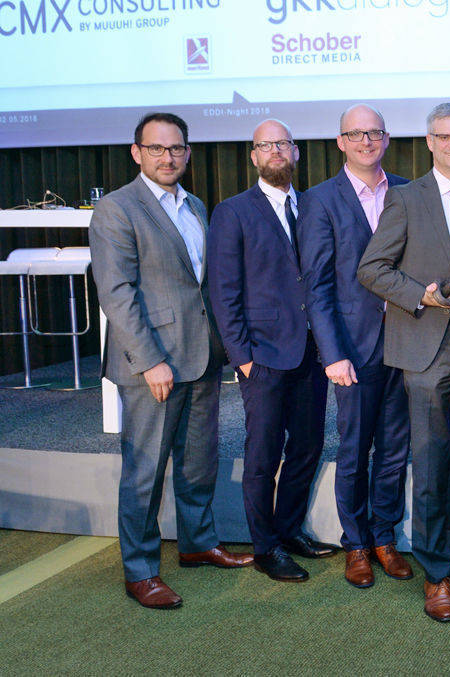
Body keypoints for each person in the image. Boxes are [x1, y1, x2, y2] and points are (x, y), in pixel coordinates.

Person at [90, 112, 253, 609]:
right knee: (145, 471)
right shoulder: (118, 210)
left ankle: (198, 543)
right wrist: (149, 361)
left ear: (187, 152)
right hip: (153, 365)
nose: (168, 157)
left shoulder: (196, 205)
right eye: (157, 148)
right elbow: (117, 295)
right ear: (137, 153)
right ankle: (139, 571)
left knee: (198, 462)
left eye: (177, 148)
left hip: (201, 357)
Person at [358, 103, 450, 623]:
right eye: (446, 137)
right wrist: (425, 296)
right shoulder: (406, 198)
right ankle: (435, 572)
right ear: (430, 142)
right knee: (433, 456)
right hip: (426, 345)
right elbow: (371, 269)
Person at [208, 119, 335, 583]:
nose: (276, 151)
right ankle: (265, 547)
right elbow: (223, 291)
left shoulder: (314, 206)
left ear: (296, 152)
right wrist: (241, 355)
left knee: (307, 446)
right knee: (263, 453)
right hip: (261, 355)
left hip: (313, 353)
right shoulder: (233, 211)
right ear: (254, 156)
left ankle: (288, 530)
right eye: (266, 145)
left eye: (283, 143)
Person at [297, 104, 412, 589]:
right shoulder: (320, 200)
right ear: (340, 141)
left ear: (386, 139)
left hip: (408, 343)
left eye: (375, 133)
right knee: (354, 447)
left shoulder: (409, 190)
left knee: (393, 449)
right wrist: (333, 353)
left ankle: (385, 538)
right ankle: (357, 544)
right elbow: (317, 286)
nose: (366, 141)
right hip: (352, 349)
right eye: (355, 133)